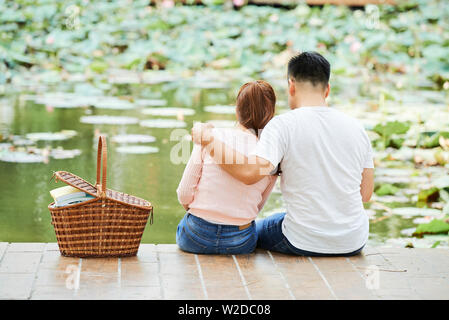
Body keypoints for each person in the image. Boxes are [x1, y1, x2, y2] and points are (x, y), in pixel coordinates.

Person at [192, 51, 374, 257]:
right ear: (327, 90)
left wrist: (207, 139)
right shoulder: (357, 128)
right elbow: (365, 194)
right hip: (353, 240)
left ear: (292, 86)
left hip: (302, 240)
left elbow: (249, 173)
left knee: (254, 230)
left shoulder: (283, 125)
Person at [176, 80, 278, 254]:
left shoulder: (210, 137)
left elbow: (184, 193)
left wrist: (201, 214)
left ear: (237, 109)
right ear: (271, 114)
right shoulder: (271, 153)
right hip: (240, 241)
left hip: (195, 236)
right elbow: (257, 206)